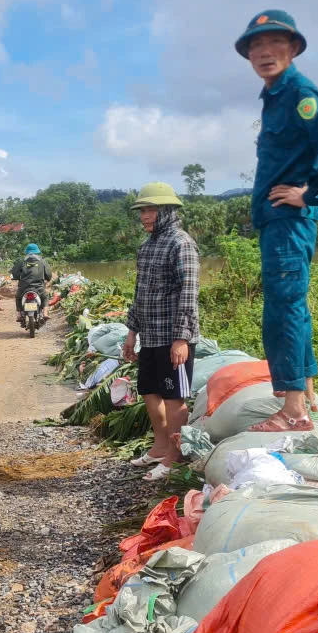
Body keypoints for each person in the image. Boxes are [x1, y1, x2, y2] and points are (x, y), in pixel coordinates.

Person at [236, 9, 318, 432]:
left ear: (293, 48)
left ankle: (292, 411)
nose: (265, 53)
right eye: (256, 46)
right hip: (278, 219)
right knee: (294, 305)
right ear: (248, 55)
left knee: (281, 308)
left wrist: (309, 193)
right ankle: (305, 391)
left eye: (274, 44)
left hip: (288, 218)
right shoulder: (275, 96)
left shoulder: (298, 92)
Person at [121, 182, 200, 481]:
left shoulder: (181, 243)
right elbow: (140, 293)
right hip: (150, 335)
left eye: (151, 210)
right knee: (150, 392)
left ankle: (174, 457)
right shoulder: (147, 246)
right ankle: (159, 447)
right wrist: (132, 332)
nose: (145, 216)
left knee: (174, 396)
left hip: (173, 337)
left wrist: (181, 338)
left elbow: (188, 293)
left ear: (167, 211)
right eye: (142, 210)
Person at [10, 243, 52, 323]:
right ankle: (45, 313)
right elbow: (48, 274)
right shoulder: (42, 261)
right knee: (45, 297)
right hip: (39, 287)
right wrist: (47, 278)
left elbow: (15, 273)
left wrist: (16, 277)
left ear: (27, 252)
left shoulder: (22, 261)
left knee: (18, 297)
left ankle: (19, 314)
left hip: (24, 288)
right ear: (37, 252)